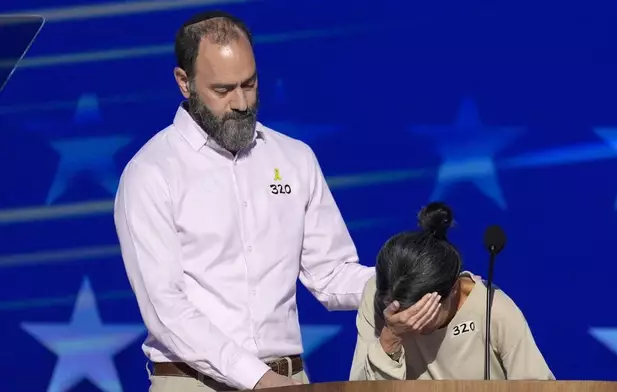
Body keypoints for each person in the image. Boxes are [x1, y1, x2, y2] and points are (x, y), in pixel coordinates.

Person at [113, 10, 374, 392]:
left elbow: (332, 275)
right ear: (183, 82)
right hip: (194, 383)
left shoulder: (294, 158)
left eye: (249, 84)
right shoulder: (151, 173)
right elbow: (165, 309)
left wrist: (406, 284)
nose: (240, 102)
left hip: (289, 380)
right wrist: (258, 378)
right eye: (222, 90)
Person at [349, 202, 554, 381]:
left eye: (421, 313)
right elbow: (358, 387)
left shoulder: (494, 310)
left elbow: (535, 384)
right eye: (397, 312)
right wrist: (391, 337)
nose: (408, 321)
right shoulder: (375, 294)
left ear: (454, 289)